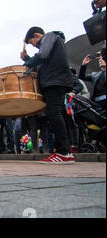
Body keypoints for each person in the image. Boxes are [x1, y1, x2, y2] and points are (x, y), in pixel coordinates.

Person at [21, 27, 75, 164]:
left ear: (37, 35)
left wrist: (28, 61)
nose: (34, 45)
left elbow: (42, 55)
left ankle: (64, 152)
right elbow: (43, 62)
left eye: (32, 42)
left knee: (55, 114)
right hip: (54, 81)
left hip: (54, 82)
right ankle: (64, 151)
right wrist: (27, 58)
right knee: (56, 115)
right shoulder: (51, 43)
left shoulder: (50, 36)